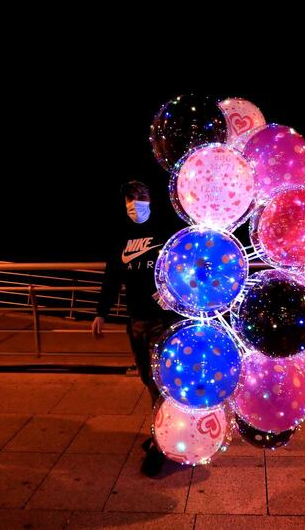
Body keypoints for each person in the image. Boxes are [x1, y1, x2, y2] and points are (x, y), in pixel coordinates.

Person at [92, 180, 178, 477]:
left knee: (160, 383)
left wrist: (171, 294)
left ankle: (161, 442)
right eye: (130, 197)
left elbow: (181, 269)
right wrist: (101, 312)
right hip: (135, 322)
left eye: (141, 196)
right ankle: (163, 429)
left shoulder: (165, 232)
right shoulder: (121, 236)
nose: (135, 202)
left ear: (151, 199)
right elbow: (112, 276)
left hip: (162, 322)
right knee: (146, 380)